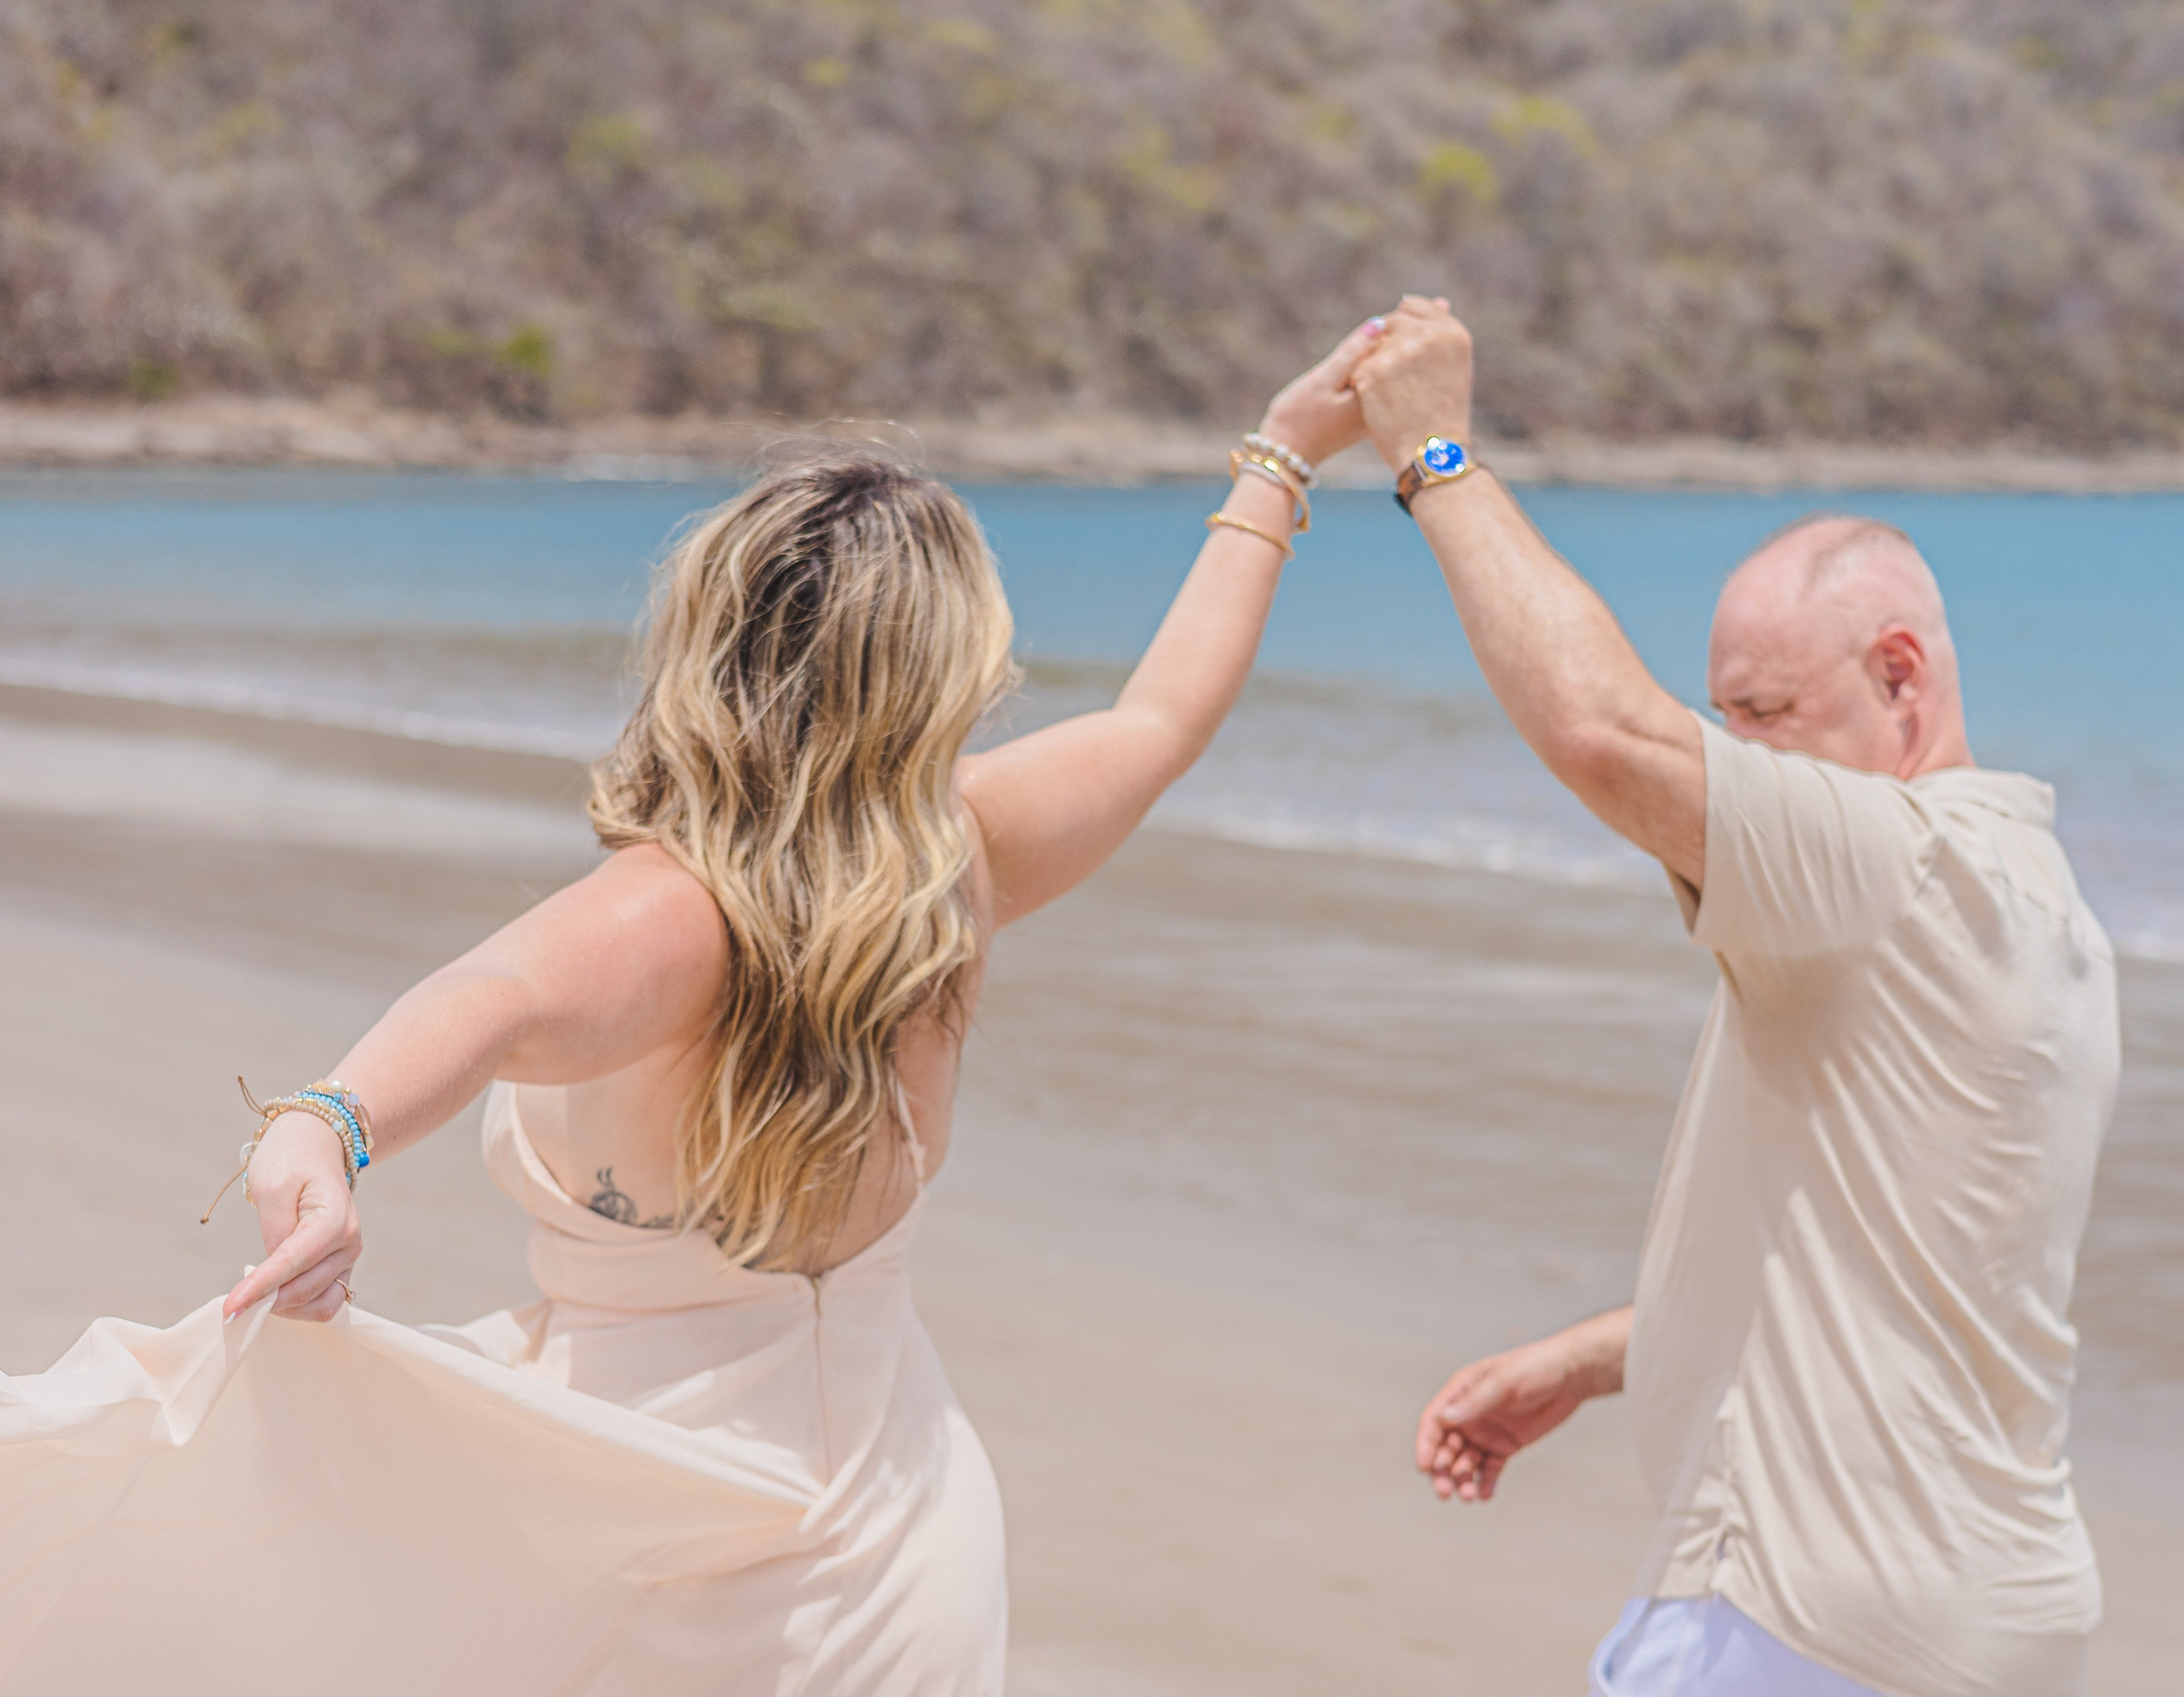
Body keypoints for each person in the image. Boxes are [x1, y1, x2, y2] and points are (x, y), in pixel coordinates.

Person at [0, 324, 1379, 1694]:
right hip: (899, 1542)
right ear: (942, 680)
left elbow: (488, 998)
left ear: (707, 639)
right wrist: (1278, 458)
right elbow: (1161, 722)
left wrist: (322, 1129)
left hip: (650, 1543)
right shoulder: (954, 867)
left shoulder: (676, 912)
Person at [1352, 299, 2118, 1697]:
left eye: (1761, 715)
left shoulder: (1902, 867)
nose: (1732, 753)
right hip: (1990, 1627)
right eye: (1727, 716)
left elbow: (1603, 730)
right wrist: (1592, 1360)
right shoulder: (2047, 907)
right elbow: (1888, 1280)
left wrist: (1436, 456)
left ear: (1900, 674)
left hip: (1803, 1622)